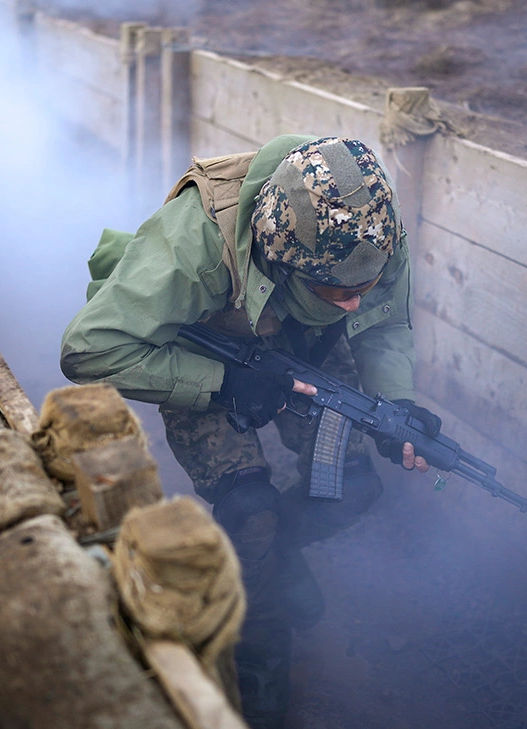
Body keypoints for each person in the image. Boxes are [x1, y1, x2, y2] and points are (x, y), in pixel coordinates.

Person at [61, 134, 440, 729]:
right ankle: (259, 675)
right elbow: (89, 349)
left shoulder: (368, 229)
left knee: (354, 488)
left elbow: (381, 323)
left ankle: (270, 559)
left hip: (297, 339)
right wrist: (221, 384)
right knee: (251, 511)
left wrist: (397, 405)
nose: (353, 303)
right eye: (339, 291)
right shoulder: (196, 243)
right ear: (282, 258)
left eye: (360, 287)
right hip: (205, 345)